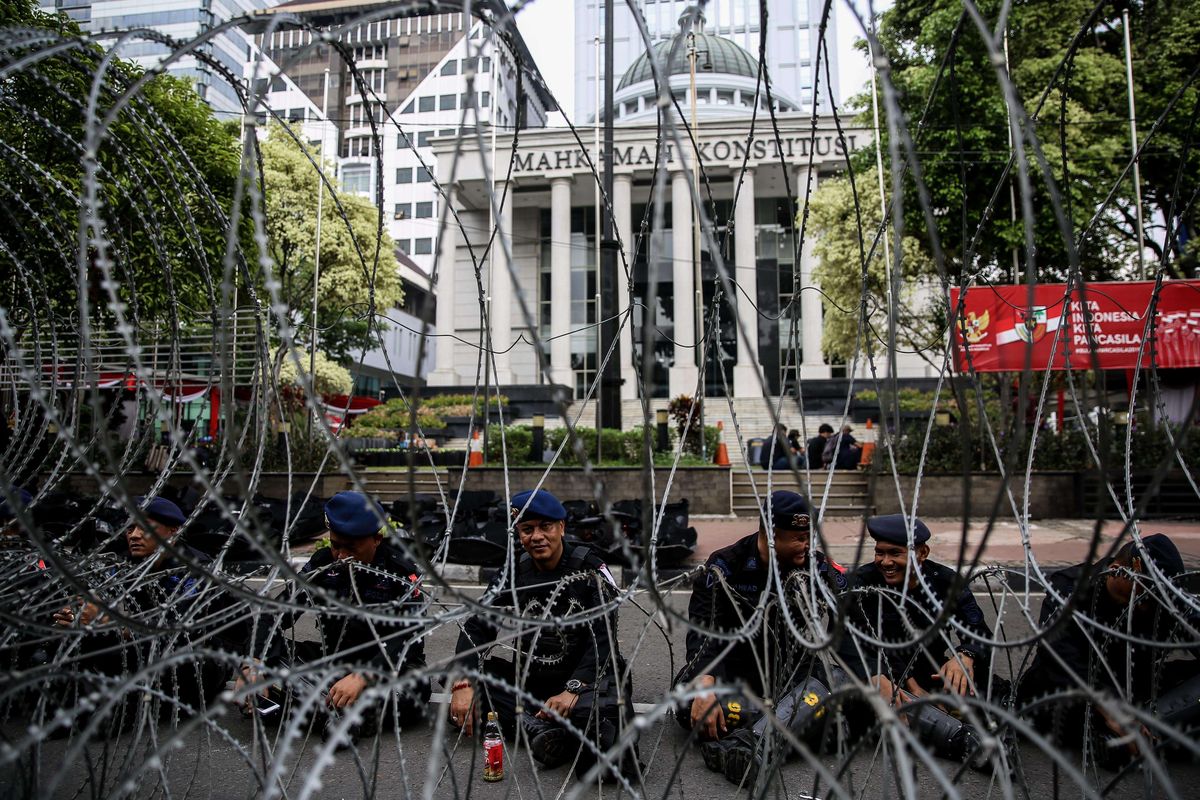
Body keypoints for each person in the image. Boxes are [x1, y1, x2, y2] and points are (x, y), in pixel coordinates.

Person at [449, 489, 632, 781]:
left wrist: (574, 688)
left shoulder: (590, 568)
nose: (537, 536)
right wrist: (462, 682)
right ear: (518, 533)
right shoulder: (514, 569)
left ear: (561, 527)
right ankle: (548, 728)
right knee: (474, 681)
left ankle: (540, 725)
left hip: (587, 677)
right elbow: (479, 624)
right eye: (527, 529)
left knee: (603, 719)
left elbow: (604, 635)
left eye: (545, 526)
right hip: (534, 679)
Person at [677, 490, 848, 784]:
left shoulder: (818, 568)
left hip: (790, 672)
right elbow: (703, 630)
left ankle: (750, 742)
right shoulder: (725, 566)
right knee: (686, 702)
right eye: (798, 537)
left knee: (839, 685)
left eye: (810, 537)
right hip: (734, 671)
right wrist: (706, 683)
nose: (807, 546)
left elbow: (846, 628)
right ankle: (787, 723)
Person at [238, 491, 429, 741]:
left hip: (386, 667)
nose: (340, 555)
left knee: (416, 688)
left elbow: (409, 640)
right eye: (335, 545)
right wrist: (252, 662)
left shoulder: (400, 571)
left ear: (377, 539)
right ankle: (339, 712)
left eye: (351, 548)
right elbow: (276, 613)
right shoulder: (322, 564)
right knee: (268, 649)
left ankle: (306, 706)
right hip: (334, 661)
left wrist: (364, 675)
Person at [1017, 533, 1198, 765]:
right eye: (1148, 589)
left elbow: (1191, 621)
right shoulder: (1070, 588)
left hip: (1134, 687)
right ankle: (1131, 737)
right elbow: (1058, 654)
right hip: (1073, 693)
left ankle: (1145, 733)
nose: (1153, 600)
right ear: (1117, 570)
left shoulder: (1160, 603)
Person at [52, 496, 235, 723]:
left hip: (194, 665)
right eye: (130, 528)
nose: (135, 535)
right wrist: (78, 615)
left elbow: (177, 631)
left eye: (146, 528)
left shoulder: (196, 571)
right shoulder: (124, 563)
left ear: (173, 532)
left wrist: (112, 623)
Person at [839, 514, 997, 766]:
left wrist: (966, 655)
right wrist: (884, 676)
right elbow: (846, 639)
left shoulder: (946, 583)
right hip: (883, 676)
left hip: (933, 675)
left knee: (997, 692)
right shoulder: (862, 584)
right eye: (879, 552)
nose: (885, 562)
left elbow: (979, 631)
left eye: (895, 553)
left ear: (923, 553)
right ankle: (962, 737)